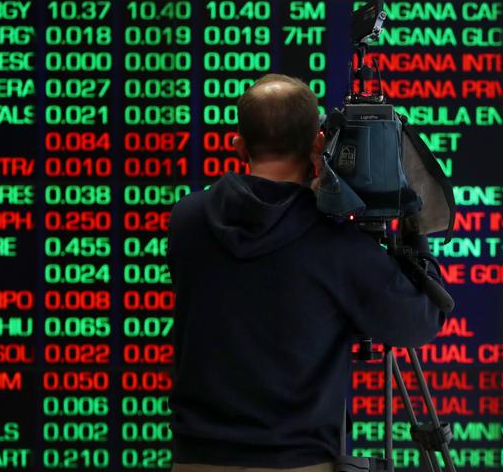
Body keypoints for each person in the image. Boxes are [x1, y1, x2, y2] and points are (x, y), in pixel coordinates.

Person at [166, 74, 446, 472]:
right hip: (299, 462)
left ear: (238, 144)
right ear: (319, 142)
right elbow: (419, 323)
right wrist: (417, 237)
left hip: (196, 459)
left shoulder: (187, 221)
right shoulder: (338, 243)